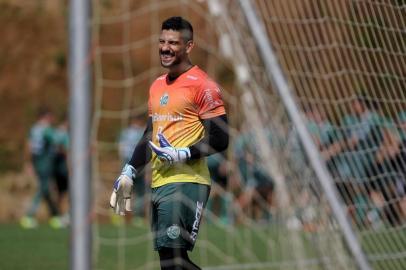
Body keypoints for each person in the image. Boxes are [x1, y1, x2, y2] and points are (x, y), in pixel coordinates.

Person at [109, 16, 229, 270]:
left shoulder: (203, 85)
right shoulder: (157, 85)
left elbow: (221, 138)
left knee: (173, 261)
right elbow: (149, 134)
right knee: (170, 263)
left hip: (188, 182)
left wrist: (183, 153)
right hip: (160, 182)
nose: (165, 47)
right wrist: (129, 170)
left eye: (173, 43)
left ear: (189, 46)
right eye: (162, 41)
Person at [20, 108, 61, 229]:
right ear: (45, 117)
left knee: (46, 190)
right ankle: (28, 216)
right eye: (50, 117)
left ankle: (55, 216)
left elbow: (28, 146)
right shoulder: (46, 130)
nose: (52, 120)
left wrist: (28, 163)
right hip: (45, 162)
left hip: (36, 161)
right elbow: (58, 141)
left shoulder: (33, 129)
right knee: (43, 188)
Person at [117, 114, 148, 225]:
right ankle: (136, 217)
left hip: (127, 163)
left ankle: (124, 217)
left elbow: (121, 149)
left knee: (127, 190)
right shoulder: (141, 132)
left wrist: (121, 165)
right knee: (140, 191)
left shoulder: (124, 133)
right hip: (139, 163)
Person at [52, 117, 70, 226]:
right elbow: (65, 150)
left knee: (60, 192)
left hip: (55, 167)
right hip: (63, 167)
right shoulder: (64, 134)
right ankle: (65, 217)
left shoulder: (56, 132)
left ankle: (60, 216)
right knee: (67, 192)